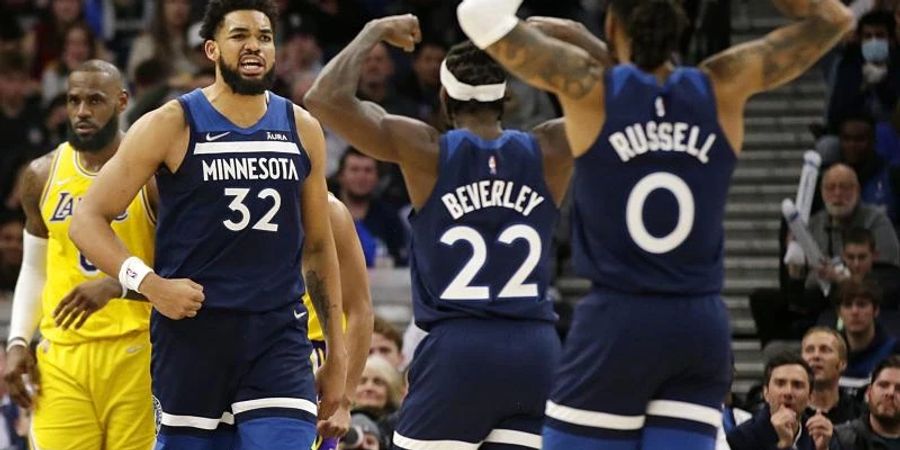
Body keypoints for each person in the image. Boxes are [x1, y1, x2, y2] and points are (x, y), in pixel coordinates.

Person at [455, 0, 854, 447]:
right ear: (681, 28)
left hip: (618, 319)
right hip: (698, 325)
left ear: (611, 25)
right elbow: (835, 19)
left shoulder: (592, 89)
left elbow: (479, 16)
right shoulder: (722, 84)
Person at [68, 1, 348, 449]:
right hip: (193, 338)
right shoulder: (171, 123)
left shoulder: (302, 127)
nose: (254, 46)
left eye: (264, 37)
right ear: (212, 49)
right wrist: (150, 284)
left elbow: (317, 245)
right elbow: (86, 219)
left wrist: (338, 352)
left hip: (277, 335)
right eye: (240, 36)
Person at [305, 14, 582, 450]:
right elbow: (622, 105)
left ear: (444, 97)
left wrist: (373, 31)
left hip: (460, 349)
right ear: (506, 98)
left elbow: (324, 98)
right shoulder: (550, 148)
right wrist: (572, 36)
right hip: (535, 351)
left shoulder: (427, 151)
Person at [2, 59, 157, 450]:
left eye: (95, 100)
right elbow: (35, 267)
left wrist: (119, 284)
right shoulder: (41, 174)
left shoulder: (152, 177)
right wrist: (18, 341)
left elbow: (179, 271)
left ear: (122, 102)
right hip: (62, 356)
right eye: (73, 101)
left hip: (138, 351)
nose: (82, 112)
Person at [726, 353, 835, 450]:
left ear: (810, 397)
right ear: (766, 393)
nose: (788, 392)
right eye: (780, 383)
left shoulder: (821, 434)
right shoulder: (741, 438)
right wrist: (784, 445)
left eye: (797, 385)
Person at [833, 355, 900, 449]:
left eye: (899, 389)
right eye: (883, 385)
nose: (890, 393)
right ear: (868, 392)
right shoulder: (840, 440)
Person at [801, 327, 862, 424]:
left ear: (842, 364)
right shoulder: (790, 410)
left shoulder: (859, 414)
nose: (816, 356)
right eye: (809, 350)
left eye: (825, 350)